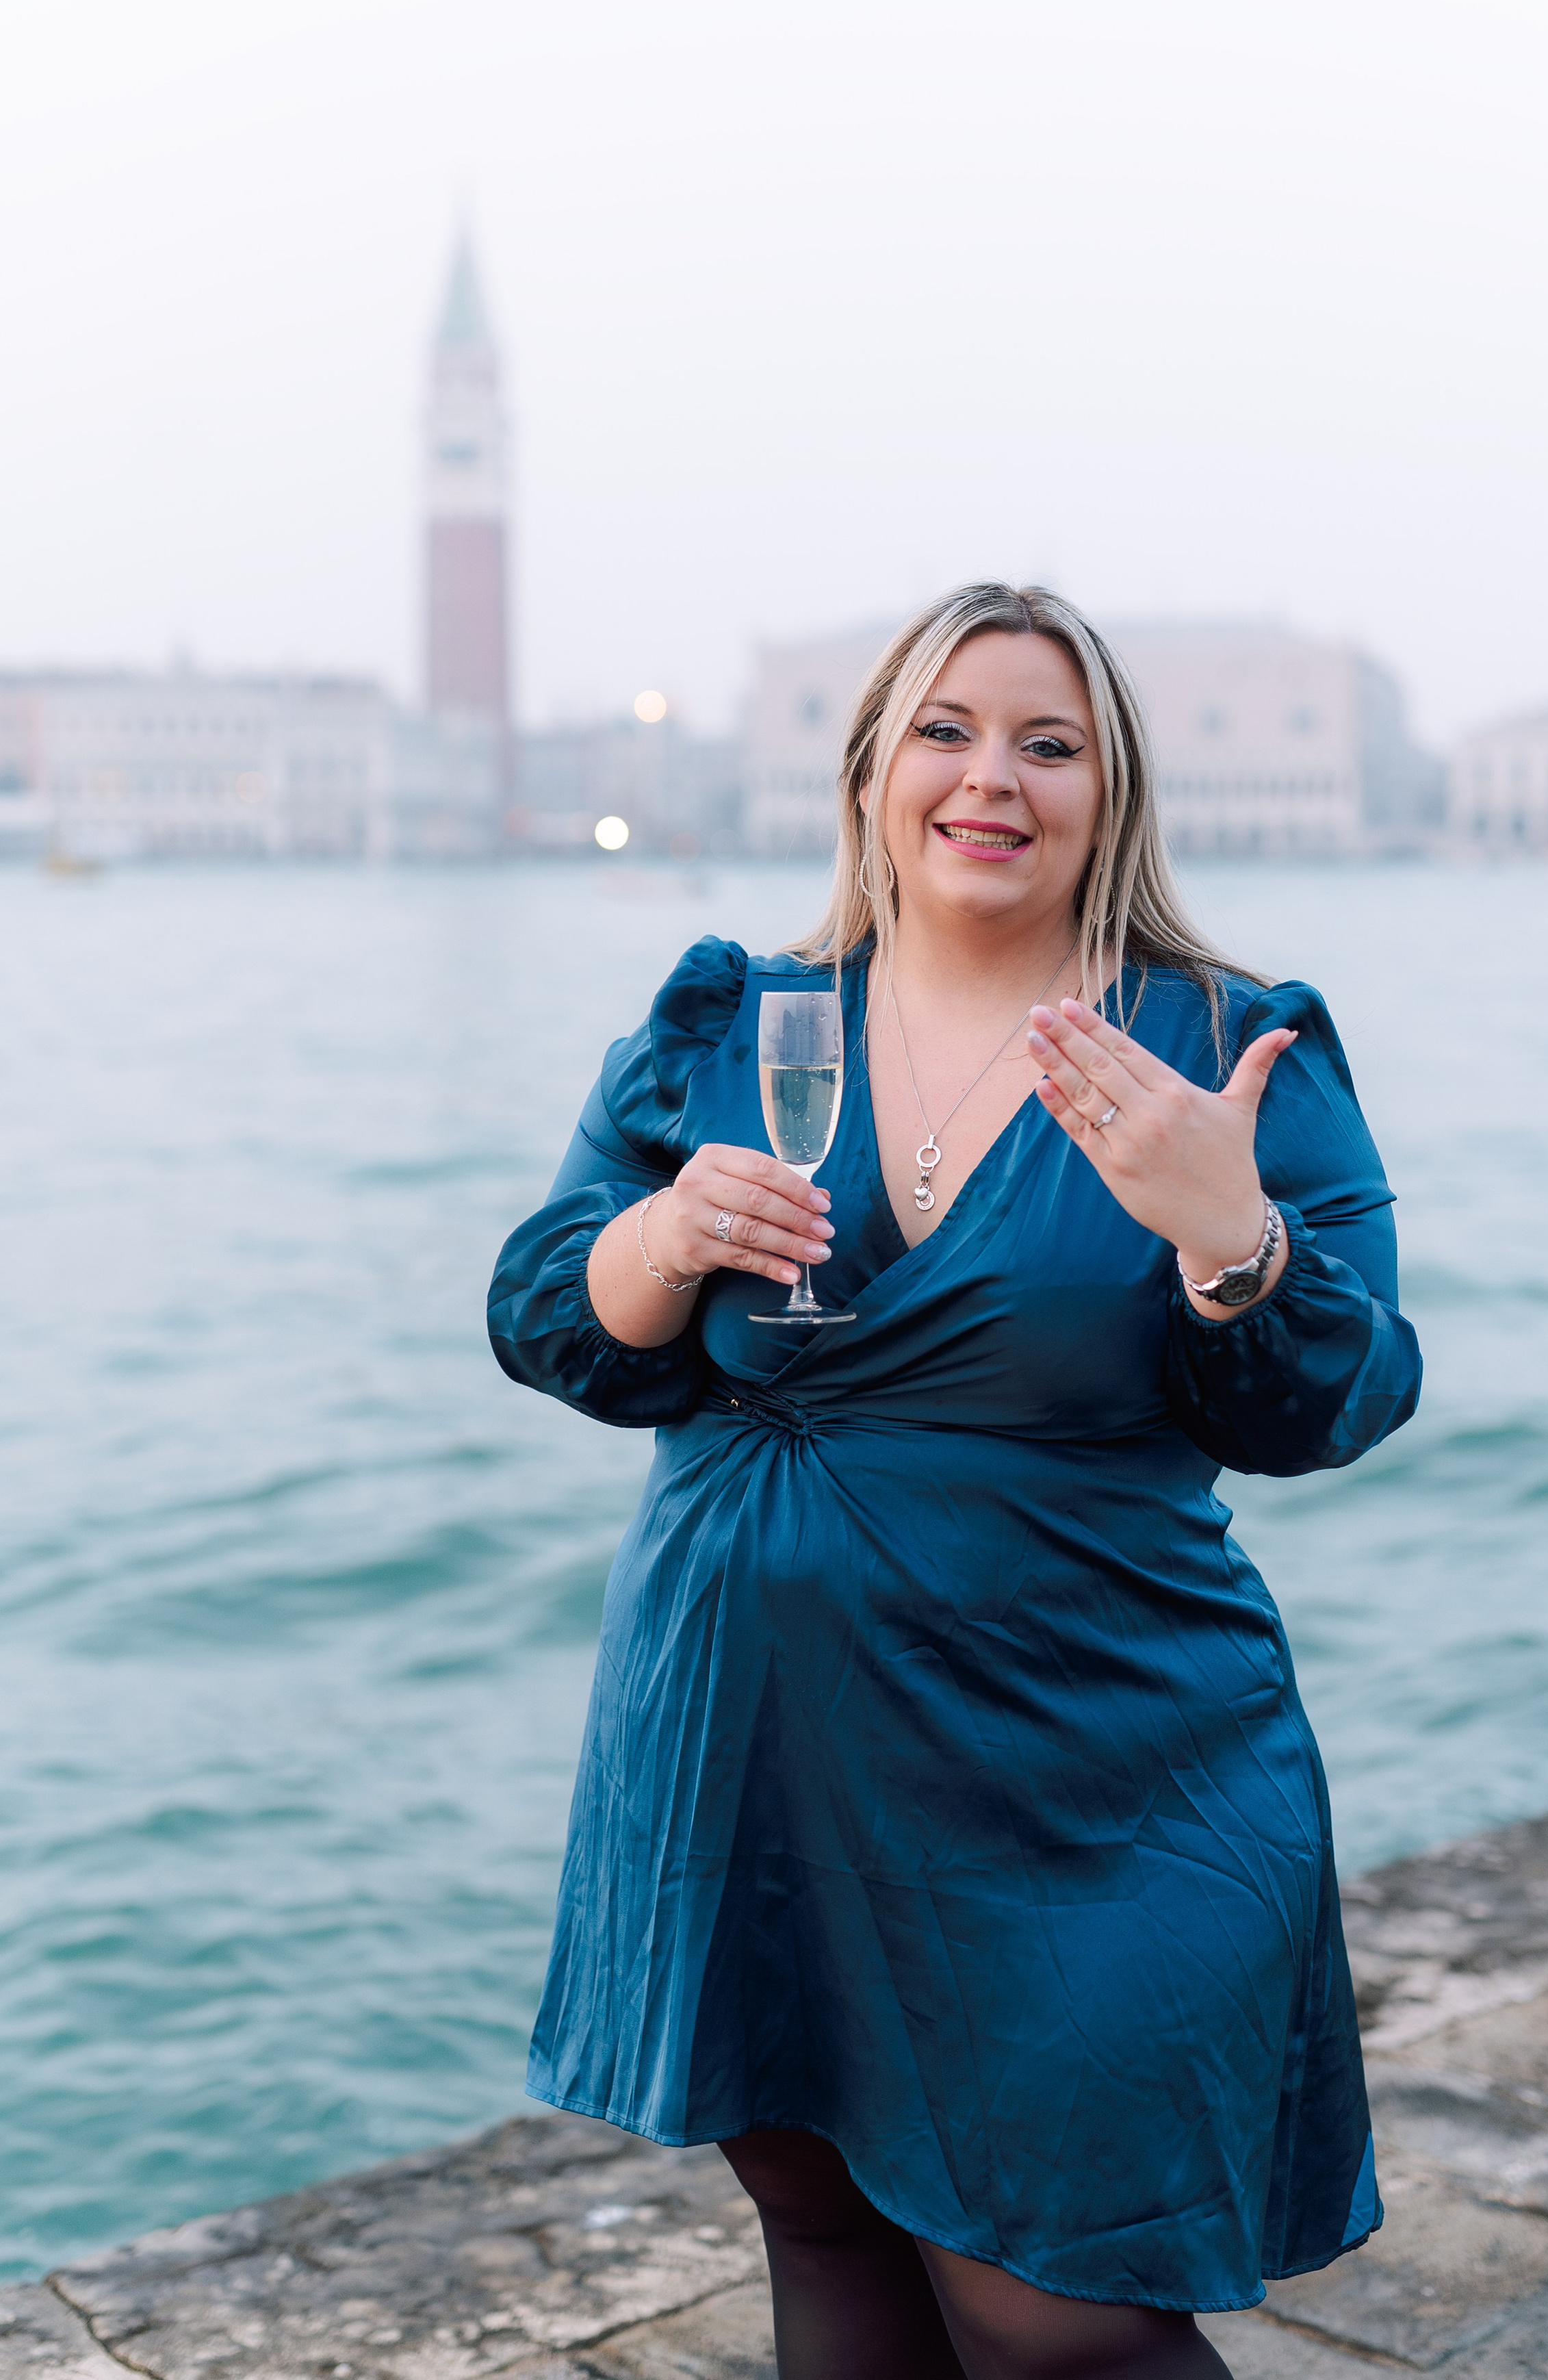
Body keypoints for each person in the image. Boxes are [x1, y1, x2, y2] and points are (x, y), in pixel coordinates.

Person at [489, 585, 1422, 2380]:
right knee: (826, 2234)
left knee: (1063, 2317)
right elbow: (556, 1322)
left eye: (1047, 743)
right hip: (750, 1747)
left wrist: (1234, 1242)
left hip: (1088, 1766)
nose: (991, 777)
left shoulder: (1219, 1049)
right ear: (870, 773)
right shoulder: (729, 1022)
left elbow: (1342, 1397)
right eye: (947, 730)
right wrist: (666, 1236)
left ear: (1111, 791)